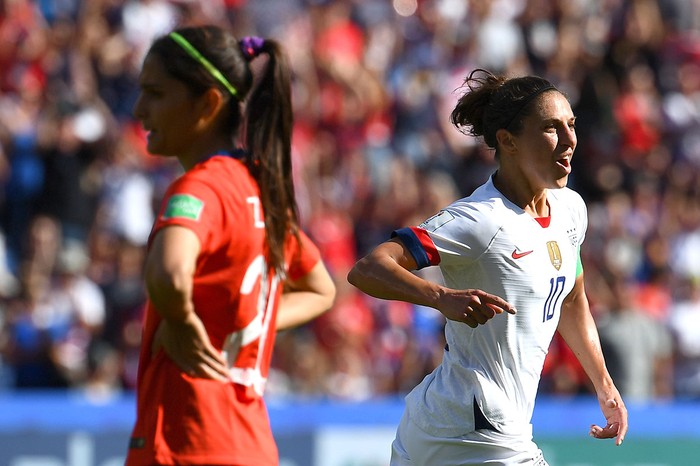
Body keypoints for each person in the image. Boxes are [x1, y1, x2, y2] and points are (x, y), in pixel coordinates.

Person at [348, 69, 628, 465]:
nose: (569, 140)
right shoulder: (480, 220)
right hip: (473, 423)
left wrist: (604, 385)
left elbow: (571, 297)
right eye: (551, 128)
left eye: (571, 125)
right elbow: (369, 267)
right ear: (508, 141)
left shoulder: (571, 210)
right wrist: (440, 296)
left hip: (452, 422)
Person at [125, 25, 336, 465]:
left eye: (155, 93)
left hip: (188, 443)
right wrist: (236, 322)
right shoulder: (260, 189)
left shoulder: (200, 189)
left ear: (207, 103)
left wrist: (183, 321)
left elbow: (168, 273)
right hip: (252, 447)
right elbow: (321, 289)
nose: (139, 108)